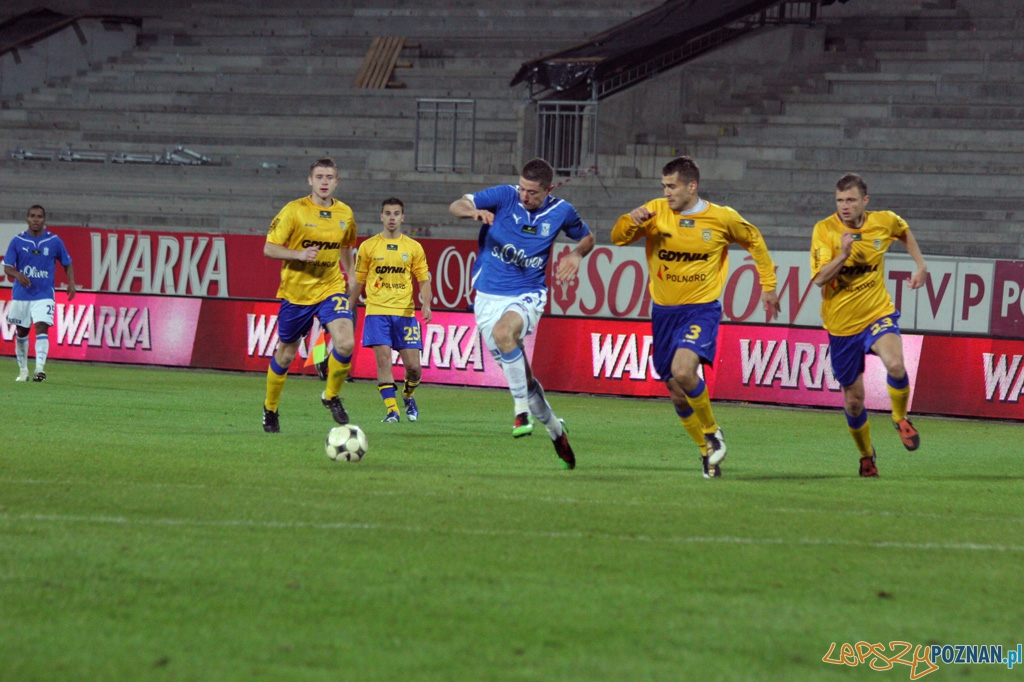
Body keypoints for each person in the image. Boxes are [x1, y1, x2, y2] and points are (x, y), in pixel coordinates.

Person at [610, 156, 780, 479]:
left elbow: (754, 240)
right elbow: (617, 237)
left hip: (701, 309)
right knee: (675, 389)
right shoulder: (655, 212)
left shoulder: (721, 218)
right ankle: (706, 452)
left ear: (692, 186)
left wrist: (768, 286)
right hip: (663, 313)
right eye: (663, 186)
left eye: (672, 186)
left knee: (684, 370)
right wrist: (631, 220)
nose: (666, 192)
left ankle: (714, 432)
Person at [449, 157, 594, 469]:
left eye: (532, 193)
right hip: (488, 297)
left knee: (505, 333)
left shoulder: (560, 211)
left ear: (548, 190)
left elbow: (587, 237)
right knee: (525, 382)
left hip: (528, 293)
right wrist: (474, 211)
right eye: (523, 189)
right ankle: (556, 430)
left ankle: (520, 413)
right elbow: (456, 205)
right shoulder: (504, 196)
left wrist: (576, 253)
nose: (525, 196)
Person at [811, 173, 927, 477]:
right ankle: (866, 456)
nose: (844, 206)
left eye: (850, 200)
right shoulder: (825, 230)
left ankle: (900, 418)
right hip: (841, 326)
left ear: (865, 201)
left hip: (877, 313)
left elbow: (903, 231)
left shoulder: (883, 221)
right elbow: (820, 278)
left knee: (896, 364)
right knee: (853, 401)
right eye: (839, 200)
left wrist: (921, 265)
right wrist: (844, 254)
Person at [261, 158, 357, 433]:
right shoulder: (294, 211)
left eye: (329, 177)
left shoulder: (345, 214)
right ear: (310, 180)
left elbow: (347, 246)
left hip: (330, 287)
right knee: (286, 355)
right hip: (296, 292)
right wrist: (298, 254)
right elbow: (269, 248)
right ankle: (270, 408)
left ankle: (331, 396)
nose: (324, 181)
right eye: (319, 177)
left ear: (337, 181)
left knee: (346, 342)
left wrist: (349, 273)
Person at [347, 198, 432, 423]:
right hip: (377, 312)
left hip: (405, 314)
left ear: (402, 218)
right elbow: (359, 280)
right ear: (381, 217)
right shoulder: (368, 247)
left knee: (413, 368)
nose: (392, 217)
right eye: (388, 213)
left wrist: (426, 304)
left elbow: (423, 279)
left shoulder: (413, 247)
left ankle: (408, 395)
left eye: (396, 213)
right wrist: (349, 307)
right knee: (383, 361)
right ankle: (392, 410)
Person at [4, 205, 77, 382]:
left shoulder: (54, 241)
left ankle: (39, 370)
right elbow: (7, 267)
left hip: (44, 294)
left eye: (40, 216)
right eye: (33, 216)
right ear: (27, 219)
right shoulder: (17, 241)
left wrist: (71, 283)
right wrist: (17, 274)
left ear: (44, 220)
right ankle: (23, 371)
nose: (36, 219)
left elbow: (67, 263)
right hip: (22, 295)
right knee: (21, 332)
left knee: (42, 326)